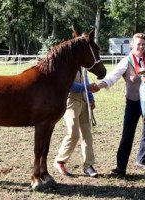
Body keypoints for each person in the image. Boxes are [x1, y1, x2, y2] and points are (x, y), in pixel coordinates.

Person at [93, 33, 145, 176]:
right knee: (127, 134)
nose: (141, 46)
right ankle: (121, 167)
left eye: (143, 44)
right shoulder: (126, 61)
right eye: (138, 44)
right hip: (132, 101)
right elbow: (113, 77)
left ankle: (142, 161)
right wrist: (100, 85)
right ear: (132, 45)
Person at [53, 32, 99, 177]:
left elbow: (85, 81)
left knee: (87, 135)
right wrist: (87, 88)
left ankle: (88, 165)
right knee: (73, 133)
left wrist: (90, 98)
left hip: (84, 100)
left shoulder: (83, 65)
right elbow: (70, 86)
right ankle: (60, 161)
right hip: (71, 101)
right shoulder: (67, 65)